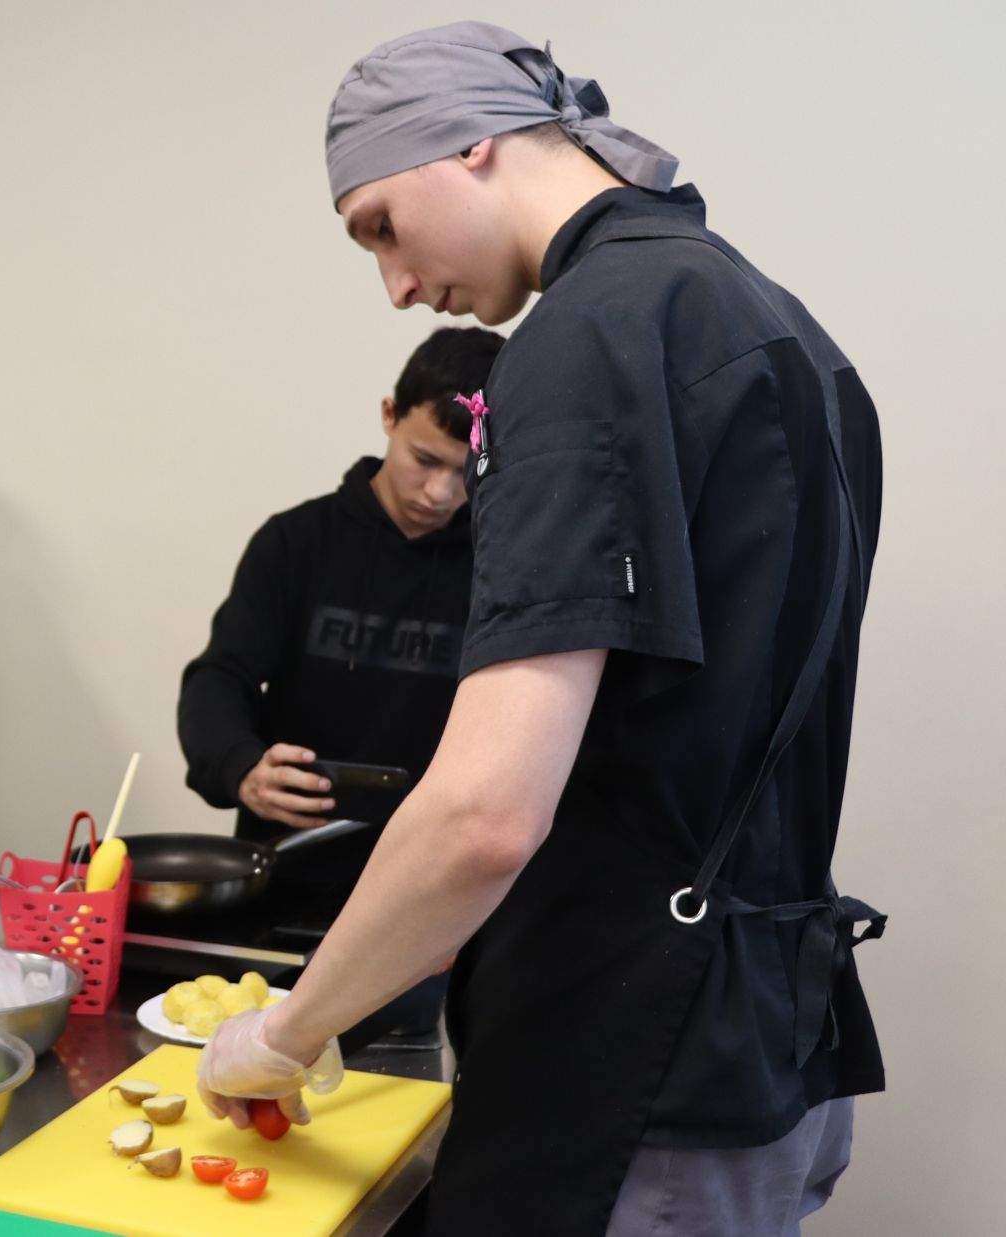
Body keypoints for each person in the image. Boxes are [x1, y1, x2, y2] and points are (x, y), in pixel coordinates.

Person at [194, 23, 884, 1236]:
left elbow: (485, 813)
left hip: (634, 1070)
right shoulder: (780, 330)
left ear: (469, 144)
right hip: (771, 1032)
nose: (396, 284)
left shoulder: (586, 336)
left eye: (378, 227)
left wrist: (284, 1033)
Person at [176, 328, 499, 1036]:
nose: (441, 492)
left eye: (465, 471)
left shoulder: (501, 568)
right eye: (423, 459)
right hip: (282, 885)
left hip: (426, 903)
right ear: (389, 414)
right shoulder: (295, 543)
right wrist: (240, 767)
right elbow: (217, 679)